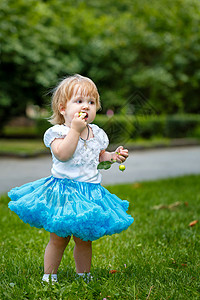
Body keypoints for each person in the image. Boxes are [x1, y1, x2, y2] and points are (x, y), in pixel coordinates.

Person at [8, 74, 134, 284]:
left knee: (84, 239)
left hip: (89, 192)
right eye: (79, 101)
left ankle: (84, 275)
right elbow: (63, 154)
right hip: (63, 192)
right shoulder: (58, 132)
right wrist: (75, 130)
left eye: (91, 102)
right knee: (59, 238)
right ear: (62, 108)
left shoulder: (97, 133)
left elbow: (99, 156)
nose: (86, 106)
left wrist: (113, 156)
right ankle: (49, 276)